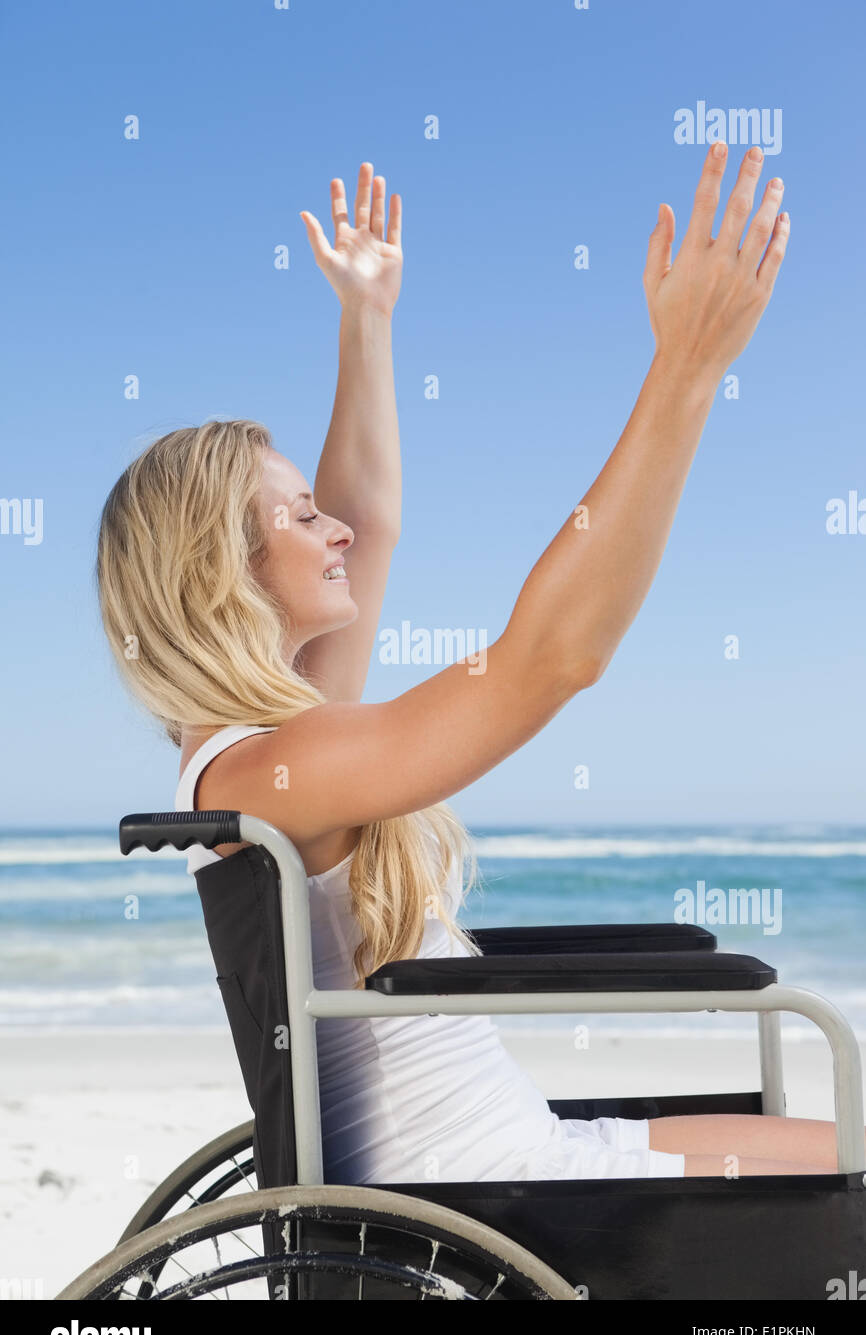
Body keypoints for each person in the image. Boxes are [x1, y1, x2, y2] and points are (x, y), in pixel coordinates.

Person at [98, 151, 848, 1181]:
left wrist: (365, 318)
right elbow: (551, 657)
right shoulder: (276, 771)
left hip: (520, 1153)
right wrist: (683, 370)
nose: (337, 533)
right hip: (509, 1183)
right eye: (299, 516)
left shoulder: (263, 757)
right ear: (222, 567)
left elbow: (370, 520)